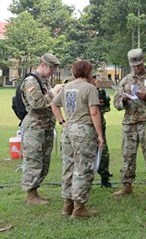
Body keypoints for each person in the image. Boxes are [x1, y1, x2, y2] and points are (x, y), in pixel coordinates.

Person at [51, 60, 104, 218]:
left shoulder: (67, 87)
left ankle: (67, 205)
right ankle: (79, 207)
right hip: (83, 131)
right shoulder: (90, 88)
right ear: (88, 71)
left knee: (68, 167)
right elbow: (94, 112)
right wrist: (100, 134)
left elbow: (54, 104)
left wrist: (62, 122)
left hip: (68, 131)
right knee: (83, 168)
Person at [112, 48, 146, 199]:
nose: (137, 68)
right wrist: (123, 100)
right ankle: (127, 185)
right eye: (134, 65)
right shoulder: (125, 81)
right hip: (130, 123)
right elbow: (115, 103)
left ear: (143, 62)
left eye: (139, 65)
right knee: (127, 155)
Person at [20, 53, 64, 206]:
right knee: (34, 160)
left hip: (45, 127)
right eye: (51, 69)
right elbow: (37, 104)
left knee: (44, 161)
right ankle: (31, 196)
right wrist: (54, 91)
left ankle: (35, 193)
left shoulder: (44, 81)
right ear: (43, 65)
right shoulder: (31, 81)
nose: (53, 72)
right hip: (34, 128)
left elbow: (51, 101)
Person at [90, 74, 114, 188]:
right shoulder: (84, 91)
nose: (94, 81)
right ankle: (85, 181)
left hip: (100, 126)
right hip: (87, 126)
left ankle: (105, 180)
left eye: (95, 79)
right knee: (87, 154)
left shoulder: (102, 93)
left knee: (103, 153)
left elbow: (105, 108)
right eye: (92, 78)